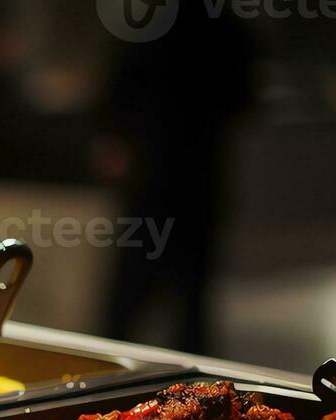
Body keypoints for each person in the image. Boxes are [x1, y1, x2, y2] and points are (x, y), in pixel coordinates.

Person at [97, 7, 254, 353]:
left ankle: (116, 358)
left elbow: (122, 88)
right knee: (180, 288)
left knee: (150, 285)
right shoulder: (217, 26)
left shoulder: (161, 23)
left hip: (168, 170)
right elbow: (243, 97)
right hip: (184, 171)